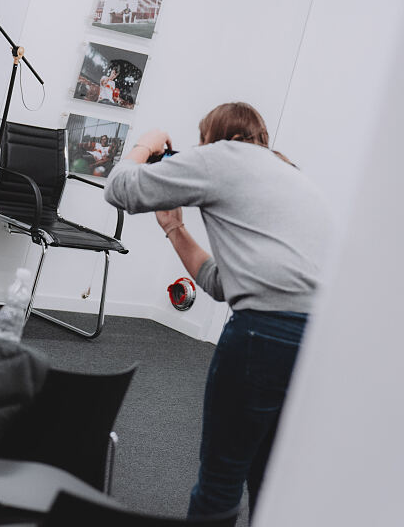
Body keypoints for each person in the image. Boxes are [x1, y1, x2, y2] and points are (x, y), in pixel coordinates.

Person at [104, 102, 333, 521]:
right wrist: (175, 229)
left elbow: (120, 189)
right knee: (270, 482)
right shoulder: (289, 174)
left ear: (210, 138)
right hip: (319, 345)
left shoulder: (220, 157)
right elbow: (222, 284)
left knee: (220, 481)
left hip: (261, 337)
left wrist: (145, 143)